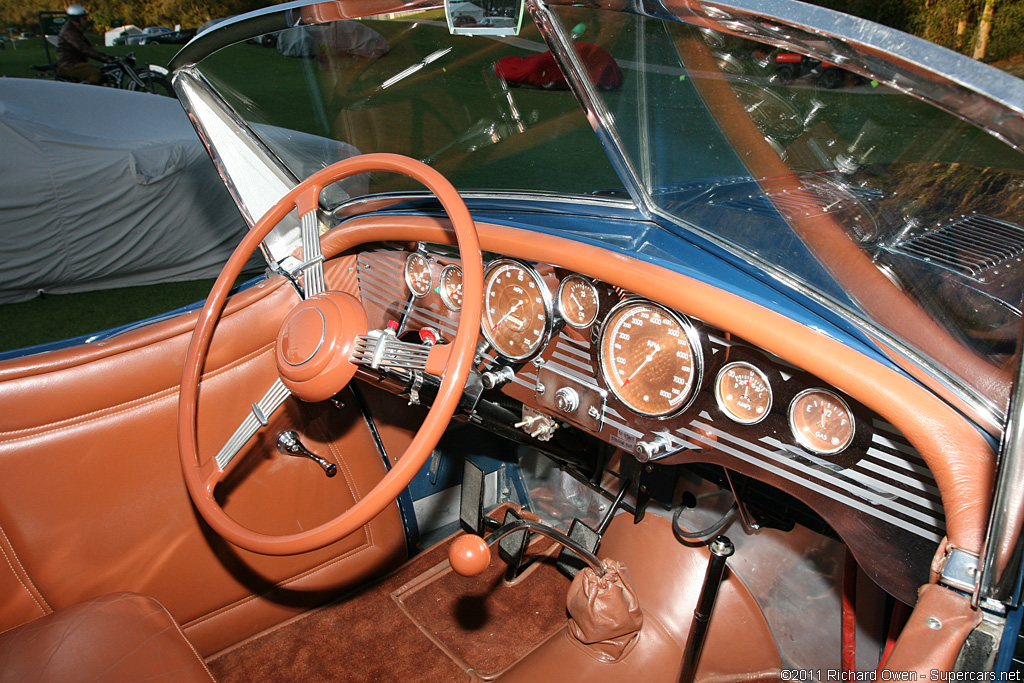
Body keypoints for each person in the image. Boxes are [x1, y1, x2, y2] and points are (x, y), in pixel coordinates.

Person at [56, 5, 111, 84]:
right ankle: (88, 94)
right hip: (69, 65)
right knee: (94, 73)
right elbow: (83, 48)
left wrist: (106, 57)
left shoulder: (75, 30)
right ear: (76, 19)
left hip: (75, 64)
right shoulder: (69, 31)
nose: (86, 20)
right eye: (84, 18)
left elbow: (89, 47)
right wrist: (104, 58)